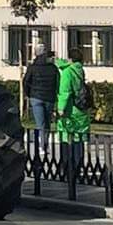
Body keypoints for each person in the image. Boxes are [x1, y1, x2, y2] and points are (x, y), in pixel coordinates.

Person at [53, 50, 92, 185]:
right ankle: (78, 167)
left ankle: (67, 168)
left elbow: (65, 92)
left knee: (66, 138)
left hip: (70, 111)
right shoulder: (80, 70)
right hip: (81, 109)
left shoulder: (67, 72)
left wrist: (61, 108)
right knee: (79, 139)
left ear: (69, 59)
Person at [22, 42, 58, 158]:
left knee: (40, 123)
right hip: (49, 97)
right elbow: (56, 82)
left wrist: (28, 94)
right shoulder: (53, 68)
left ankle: (41, 146)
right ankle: (44, 144)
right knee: (47, 123)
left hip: (35, 97)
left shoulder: (32, 67)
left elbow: (26, 81)